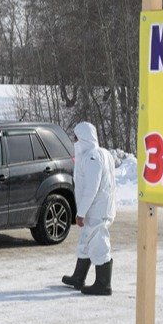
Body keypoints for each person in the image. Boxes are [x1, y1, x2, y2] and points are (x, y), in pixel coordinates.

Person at [61, 121, 117, 296]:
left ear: (84, 137)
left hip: (97, 211)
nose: (74, 141)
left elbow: (91, 188)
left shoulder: (93, 157)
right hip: (97, 209)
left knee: (99, 244)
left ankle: (103, 284)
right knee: (86, 241)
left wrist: (81, 212)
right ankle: (78, 277)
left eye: (76, 137)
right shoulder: (99, 154)